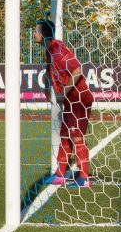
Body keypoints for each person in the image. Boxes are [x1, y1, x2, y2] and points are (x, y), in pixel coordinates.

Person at [36, 20, 94, 188]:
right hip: (69, 101)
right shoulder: (49, 50)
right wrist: (48, 89)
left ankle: (84, 178)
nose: (34, 34)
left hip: (79, 99)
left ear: (43, 33)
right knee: (64, 136)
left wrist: (63, 93)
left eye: (35, 31)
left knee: (76, 137)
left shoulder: (58, 49)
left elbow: (77, 71)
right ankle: (60, 174)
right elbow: (48, 71)